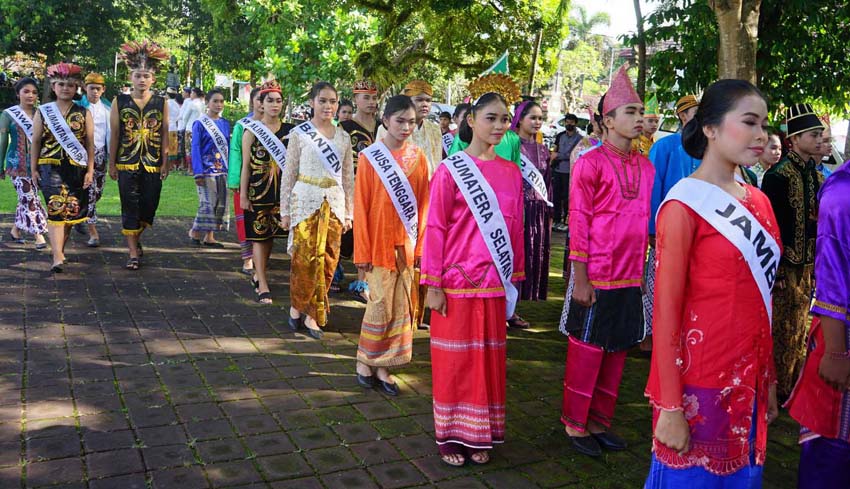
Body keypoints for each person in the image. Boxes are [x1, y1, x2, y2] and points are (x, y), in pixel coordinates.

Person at [645, 79, 781, 488]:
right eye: (749, 122)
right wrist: (670, 406)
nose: (760, 135)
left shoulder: (760, 201)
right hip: (697, 384)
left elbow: (763, 301)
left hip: (749, 379)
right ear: (710, 128)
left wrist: (768, 380)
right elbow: (666, 312)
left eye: (763, 125)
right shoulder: (684, 204)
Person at [421, 92, 524, 467]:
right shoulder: (451, 170)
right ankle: (450, 435)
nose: (499, 126)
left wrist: (516, 278)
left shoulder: (512, 171)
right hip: (456, 282)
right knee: (454, 362)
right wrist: (433, 283)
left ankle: (480, 434)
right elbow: (436, 227)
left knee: (487, 361)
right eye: (491, 118)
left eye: (504, 119)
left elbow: (514, 227)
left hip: (495, 282)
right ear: (471, 120)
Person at [559, 66, 654, 457]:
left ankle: (600, 421)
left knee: (617, 349)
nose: (638, 118)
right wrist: (580, 277)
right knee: (587, 348)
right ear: (608, 120)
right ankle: (574, 424)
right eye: (629, 112)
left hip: (630, 274)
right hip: (595, 272)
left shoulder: (646, 167)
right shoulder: (590, 163)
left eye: (640, 111)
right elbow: (579, 221)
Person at [353, 95, 430, 396]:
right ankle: (364, 360)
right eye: (400, 120)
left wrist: (422, 248)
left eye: (411, 121)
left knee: (401, 308)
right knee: (378, 306)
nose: (406, 127)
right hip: (378, 246)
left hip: (407, 248)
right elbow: (361, 207)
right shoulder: (370, 157)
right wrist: (362, 252)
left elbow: (424, 206)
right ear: (385, 120)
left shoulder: (419, 158)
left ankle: (384, 366)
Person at [785, 158, 850, 489]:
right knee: (833, 451)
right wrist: (837, 351)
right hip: (842, 337)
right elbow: (833, 277)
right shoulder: (841, 192)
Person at [761, 103, 825, 401]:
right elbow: (770, 227)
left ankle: (792, 386)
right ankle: (776, 389)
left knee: (801, 329)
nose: (818, 139)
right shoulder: (777, 176)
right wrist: (774, 273)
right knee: (782, 330)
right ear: (795, 139)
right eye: (813, 135)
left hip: (807, 264)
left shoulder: (814, 174)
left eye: (819, 134)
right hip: (784, 268)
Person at [281, 81, 354, 339]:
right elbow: (288, 175)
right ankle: (296, 306)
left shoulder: (344, 138)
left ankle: (314, 314)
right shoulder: (300, 134)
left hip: (333, 203)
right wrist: (285, 211)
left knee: (328, 259)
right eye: (322, 100)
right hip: (304, 202)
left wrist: (349, 213)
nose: (328, 106)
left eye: (333, 101)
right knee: (302, 259)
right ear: (312, 102)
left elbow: (348, 178)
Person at [643, 94, 701, 352]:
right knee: (658, 283)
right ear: (683, 116)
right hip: (667, 228)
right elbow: (653, 188)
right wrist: (653, 229)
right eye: (695, 113)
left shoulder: (708, 148)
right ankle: (648, 333)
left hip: (699, 230)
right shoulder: (665, 146)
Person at [108, 40, 170, 271]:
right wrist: (112, 163)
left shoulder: (161, 102)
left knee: (149, 205)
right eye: (137, 75)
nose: (141, 79)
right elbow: (115, 134)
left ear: (153, 78)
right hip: (126, 162)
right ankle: (132, 252)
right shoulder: (119, 101)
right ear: (130, 77)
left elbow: (165, 133)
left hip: (153, 163)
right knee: (129, 205)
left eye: (146, 75)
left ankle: (136, 236)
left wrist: (166, 161)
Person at [30, 63, 95, 273]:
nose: (65, 88)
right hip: (50, 166)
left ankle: (60, 249)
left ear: (76, 87)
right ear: (53, 86)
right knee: (56, 208)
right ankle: (57, 256)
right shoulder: (43, 111)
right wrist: (33, 169)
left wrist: (91, 170)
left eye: (69, 85)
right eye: (60, 84)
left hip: (77, 167)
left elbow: (90, 144)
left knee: (71, 212)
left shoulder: (84, 112)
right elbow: (36, 142)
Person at [239, 81, 292, 304]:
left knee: (271, 237)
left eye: (278, 101)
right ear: (260, 103)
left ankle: (259, 274)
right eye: (269, 100)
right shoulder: (251, 130)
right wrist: (243, 195)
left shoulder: (292, 131)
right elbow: (246, 167)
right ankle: (262, 283)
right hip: (258, 191)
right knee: (259, 237)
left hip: (282, 193)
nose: (274, 105)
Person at [511, 100, 552, 329]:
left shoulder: (544, 149)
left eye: (540, 118)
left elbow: (547, 182)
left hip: (538, 211)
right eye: (532, 118)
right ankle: (508, 309)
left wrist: (549, 211)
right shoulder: (510, 144)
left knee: (529, 258)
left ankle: (514, 307)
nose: (537, 122)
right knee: (515, 256)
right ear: (520, 119)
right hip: (518, 209)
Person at [339, 79, 381, 302]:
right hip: (351, 187)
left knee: (370, 235)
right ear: (355, 99)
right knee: (347, 233)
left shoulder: (384, 126)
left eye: (374, 97)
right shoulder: (344, 127)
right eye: (366, 97)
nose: (371, 102)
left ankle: (362, 280)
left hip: (378, 190)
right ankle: (335, 269)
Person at [0, 77, 47, 249]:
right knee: (30, 198)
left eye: (34, 92)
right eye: (26, 91)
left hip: (38, 165)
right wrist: (0, 165)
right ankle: (38, 235)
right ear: (18, 93)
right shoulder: (8, 114)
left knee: (26, 199)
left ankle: (15, 230)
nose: (30, 95)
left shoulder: (41, 113)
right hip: (16, 165)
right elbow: (2, 140)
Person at [189, 89, 230, 247]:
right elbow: (195, 147)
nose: (219, 104)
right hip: (206, 170)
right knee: (207, 203)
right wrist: (198, 172)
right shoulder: (200, 123)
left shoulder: (225, 123)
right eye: (215, 101)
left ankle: (209, 236)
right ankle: (195, 231)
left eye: (221, 101)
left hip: (222, 169)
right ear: (207, 102)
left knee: (219, 203)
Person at [228, 87, 261, 275]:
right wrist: (235, 181)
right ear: (253, 102)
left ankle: (260, 257)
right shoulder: (243, 125)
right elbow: (235, 153)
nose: (263, 104)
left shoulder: (275, 125)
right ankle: (247, 258)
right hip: (245, 180)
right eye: (259, 99)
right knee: (243, 219)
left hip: (266, 181)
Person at [75, 72, 111, 246]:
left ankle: (80, 215)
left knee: (97, 193)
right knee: (89, 192)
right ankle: (93, 232)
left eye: (98, 89)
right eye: (91, 88)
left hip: (101, 156)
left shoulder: (108, 109)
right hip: (81, 157)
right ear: (85, 88)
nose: (95, 92)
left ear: (103, 90)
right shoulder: (77, 108)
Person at [378, 80, 442, 176]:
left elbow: (437, 161)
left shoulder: (435, 129)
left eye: (428, 100)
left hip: (430, 186)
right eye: (419, 100)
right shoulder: (388, 128)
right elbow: (381, 163)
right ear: (407, 102)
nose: (425, 104)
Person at [551, 113, 581, 232]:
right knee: (556, 196)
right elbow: (555, 150)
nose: (569, 124)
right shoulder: (560, 136)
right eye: (567, 122)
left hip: (570, 172)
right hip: (558, 170)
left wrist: (559, 156)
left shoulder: (579, 139)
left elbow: (576, 155)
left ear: (575, 123)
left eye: (571, 122)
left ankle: (566, 221)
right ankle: (556, 220)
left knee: (567, 197)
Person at [181, 88, 204, 175]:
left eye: (192, 93)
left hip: (190, 128)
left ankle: (190, 169)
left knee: (188, 149)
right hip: (199, 128)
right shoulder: (202, 104)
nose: (190, 94)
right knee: (197, 148)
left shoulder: (191, 104)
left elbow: (185, 117)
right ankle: (196, 168)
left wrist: (183, 124)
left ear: (195, 94)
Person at [166, 87, 182, 174]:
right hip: (174, 127)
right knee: (173, 146)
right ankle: (172, 165)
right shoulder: (176, 104)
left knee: (167, 146)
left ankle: (168, 165)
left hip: (167, 127)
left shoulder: (166, 103)